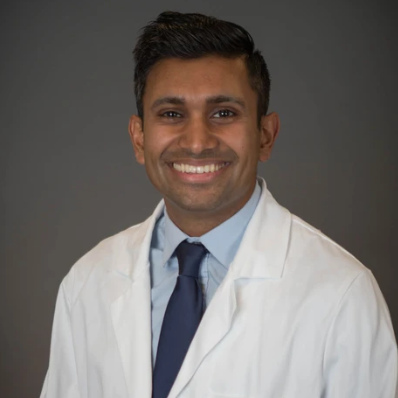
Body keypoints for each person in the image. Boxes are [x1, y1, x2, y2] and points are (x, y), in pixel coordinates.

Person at [40, 11, 397, 398]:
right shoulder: (87, 282)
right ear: (139, 138)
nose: (197, 142)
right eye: (172, 114)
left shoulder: (343, 294)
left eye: (224, 113)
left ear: (265, 134)